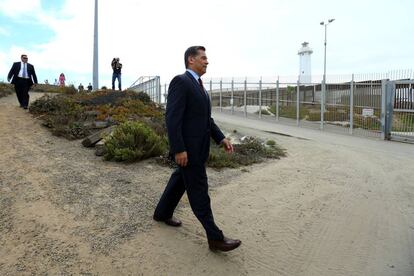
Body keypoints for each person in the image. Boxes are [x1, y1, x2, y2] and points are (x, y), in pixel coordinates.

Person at [153, 46, 241, 252]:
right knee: (200, 193)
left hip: (199, 150)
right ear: (191, 60)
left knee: (179, 181)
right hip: (188, 151)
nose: (207, 61)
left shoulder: (200, 87)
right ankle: (215, 238)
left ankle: (162, 213)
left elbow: (206, 121)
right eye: (203, 58)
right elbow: (172, 118)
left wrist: (221, 139)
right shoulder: (181, 82)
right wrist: (179, 149)